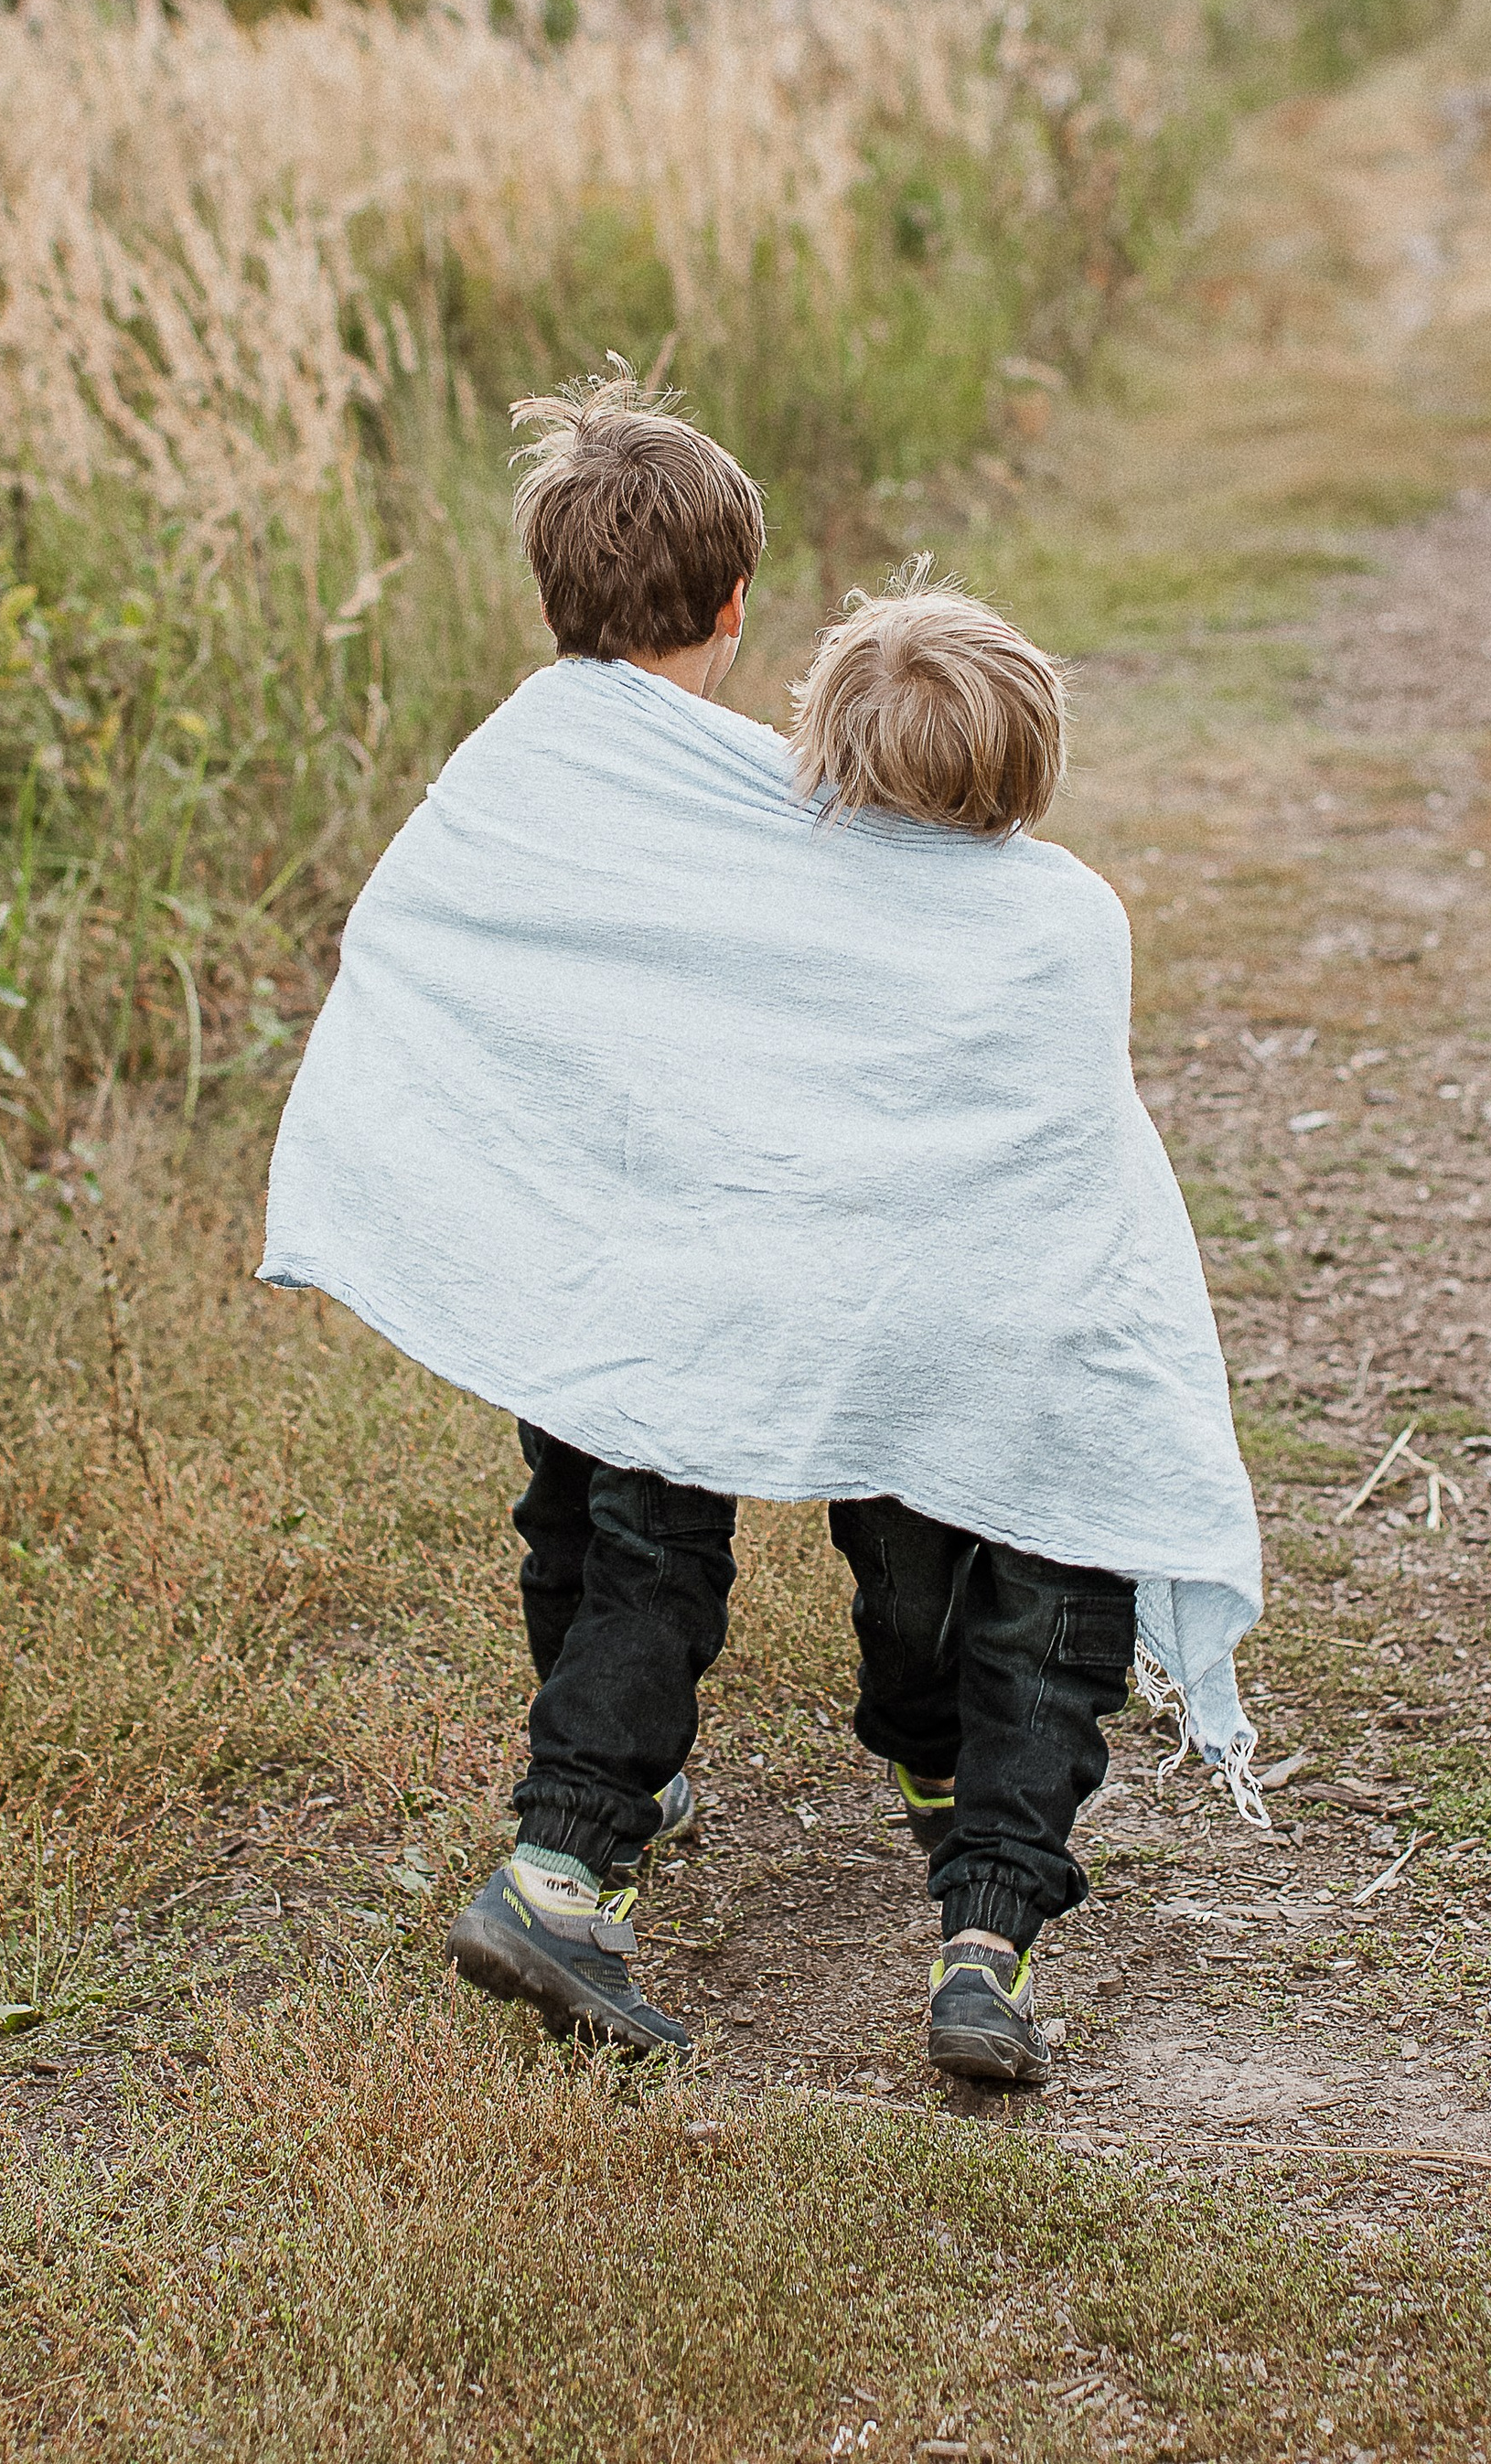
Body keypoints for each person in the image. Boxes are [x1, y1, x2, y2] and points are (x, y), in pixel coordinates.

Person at [260, 373, 1263, 2084]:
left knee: (593, 1506)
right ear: (737, 607)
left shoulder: (531, 772)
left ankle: (603, 1817)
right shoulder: (939, 870)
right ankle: (793, 1888)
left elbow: (437, 969)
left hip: (593, 1254)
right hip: (832, 1300)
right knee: (796, 1548)